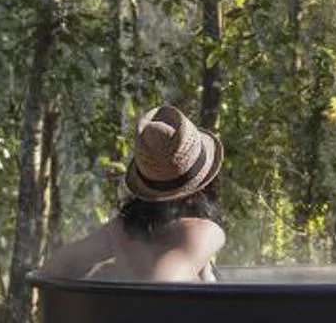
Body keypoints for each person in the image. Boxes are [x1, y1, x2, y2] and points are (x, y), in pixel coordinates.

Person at [40, 103, 228, 282]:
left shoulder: (120, 230)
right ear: (204, 184)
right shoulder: (204, 232)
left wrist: (111, 273)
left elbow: (52, 268)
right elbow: (160, 284)